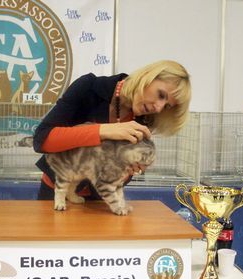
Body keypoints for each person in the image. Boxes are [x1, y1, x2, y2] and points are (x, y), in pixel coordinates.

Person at [33, 60, 191, 200]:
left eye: (167, 106)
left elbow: (116, 177)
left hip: (99, 199)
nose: (158, 107)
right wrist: (104, 130)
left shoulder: (145, 120)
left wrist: (128, 169)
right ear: (148, 76)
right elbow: (42, 139)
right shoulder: (88, 87)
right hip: (56, 190)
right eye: (161, 95)